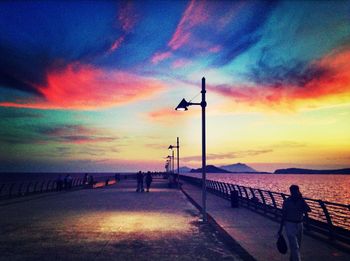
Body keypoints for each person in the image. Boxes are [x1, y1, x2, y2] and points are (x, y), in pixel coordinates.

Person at [278, 185, 311, 261]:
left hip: (299, 224)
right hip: (289, 224)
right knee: (294, 246)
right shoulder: (287, 201)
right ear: (291, 192)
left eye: (297, 191)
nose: (296, 192)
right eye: (294, 191)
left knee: (297, 246)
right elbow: (284, 215)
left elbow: (308, 210)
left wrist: (302, 200)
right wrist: (281, 228)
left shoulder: (301, 201)